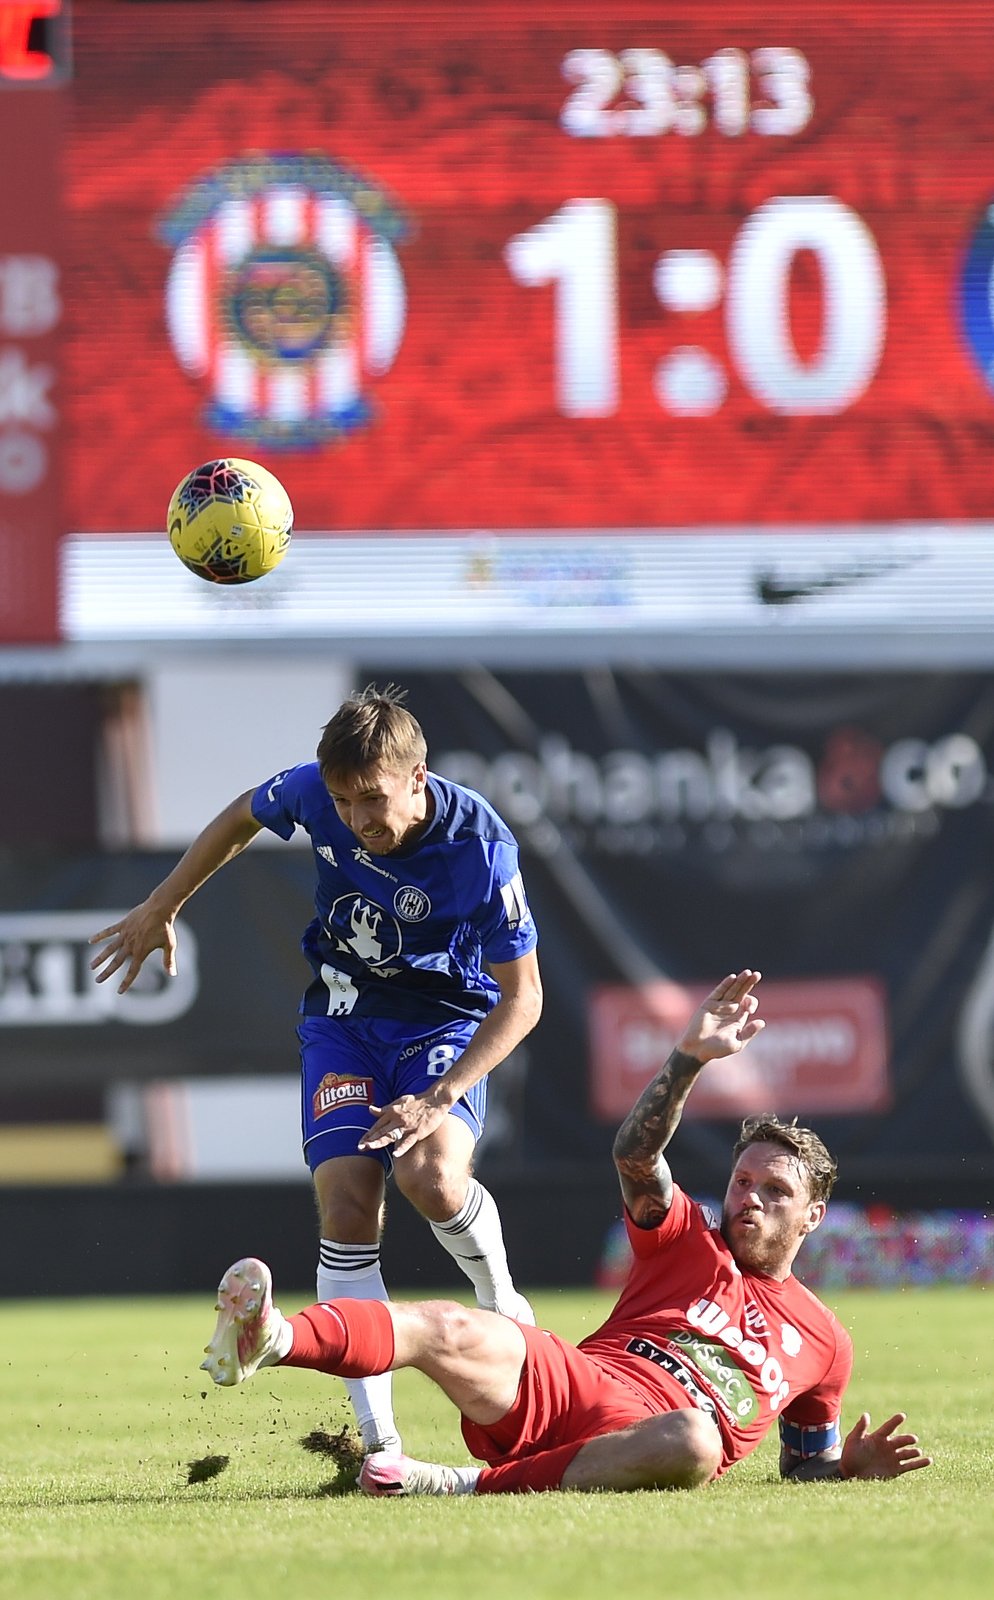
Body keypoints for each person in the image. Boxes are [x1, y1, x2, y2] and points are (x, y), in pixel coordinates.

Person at [198, 969, 931, 1496]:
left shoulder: (825, 1342)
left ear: (811, 1216)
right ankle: (273, 1338)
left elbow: (804, 1463)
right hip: (575, 1384)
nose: (750, 1198)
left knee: (696, 1437)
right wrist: (686, 1063)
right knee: (448, 1324)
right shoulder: (686, 1239)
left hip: (658, 1438)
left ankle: (452, 1485)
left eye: (776, 1192)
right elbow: (635, 1155)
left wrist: (847, 1470)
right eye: (743, 1181)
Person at [90, 683, 543, 1459]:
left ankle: (503, 1301)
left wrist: (439, 1097)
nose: (358, 819)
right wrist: (164, 902)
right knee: (344, 1209)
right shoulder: (316, 793)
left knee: (431, 1181)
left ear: (418, 778)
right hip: (342, 1021)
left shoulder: (481, 850)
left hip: (441, 1025)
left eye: (372, 799)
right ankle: (381, 1446)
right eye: (342, 801)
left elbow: (523, 999)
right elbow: (241, 815)